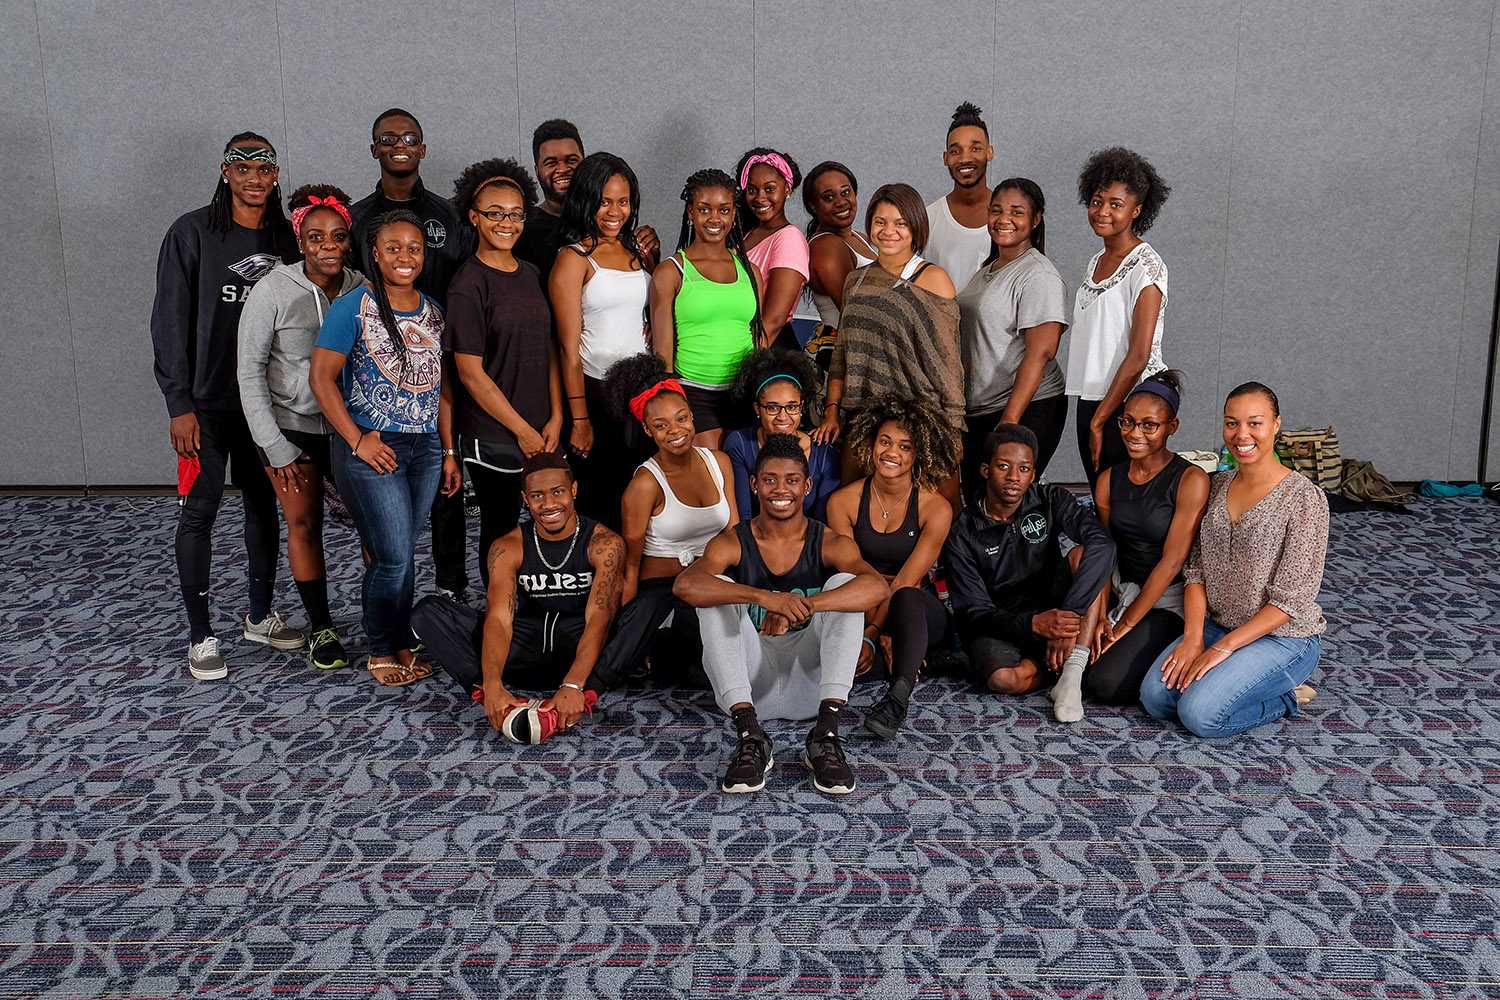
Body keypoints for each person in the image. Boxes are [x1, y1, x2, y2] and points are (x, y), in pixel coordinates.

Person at [151, 131, 302, 681]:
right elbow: (168, 321)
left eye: (264, 168)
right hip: (207, 404)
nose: (254, 177)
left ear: (276, 175)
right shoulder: (192, 233)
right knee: (201, 510)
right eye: (243, 167)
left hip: (267, 403)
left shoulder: (288, 238)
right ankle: (200, 635)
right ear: (225, 171)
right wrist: (178, 403)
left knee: (265, 509)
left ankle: (260, 616)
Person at [675, 434, 889, 795]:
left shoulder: (829, 541)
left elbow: (877, 588)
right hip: (748, 685)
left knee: (845, 584)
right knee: (715, 592)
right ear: (754, 484)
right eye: (770, 479)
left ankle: (826, 734)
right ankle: (750, 738)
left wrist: (806, 605)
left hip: (810, 684)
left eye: (791, 480)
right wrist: (765, 598)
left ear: (806, 486)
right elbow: (686, 585)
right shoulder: (733, 541)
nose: (781, 489)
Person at [309, 209, 462, 686]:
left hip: (425, 449)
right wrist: (357, 438)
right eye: (392, 248)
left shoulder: (433, 311)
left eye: (413, 248)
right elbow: (321, 379)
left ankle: (400, 637)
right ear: (374, 254)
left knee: (398, 551)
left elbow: (442, 388)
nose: (404, 257)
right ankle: (381, 647)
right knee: (394, 554)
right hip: (374, 446)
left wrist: (449, 450)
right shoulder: (353, 307)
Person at [1141, 383, 1327, 738]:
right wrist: (1194, 638)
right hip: (1219, 624)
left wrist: (1223, 649)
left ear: (1276, 425)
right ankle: (1235, 679)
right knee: (1155, 699)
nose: (1241, 435)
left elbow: (1291, 602)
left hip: (1283, 638)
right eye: (1231, 423)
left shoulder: (1305, 499)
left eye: (1255, 423)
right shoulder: (1215, 485)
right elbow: (1194, 570)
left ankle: (1285, 697)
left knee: (1199, 715)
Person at [237, 184, 365, 672]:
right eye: (315, 237)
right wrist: (273, 445)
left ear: (348, 240)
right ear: (301, 241)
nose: (327, 245)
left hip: (351, 427)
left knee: (372, 528)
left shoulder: (362, 289)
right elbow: (248, 372)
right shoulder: (272, 289)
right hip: (293, 429)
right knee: (304, 524)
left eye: (336, 236)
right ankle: (322, 626)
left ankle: (380, 621)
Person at [411, 453, 625, 744]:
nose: (549, 504)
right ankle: (494, 698)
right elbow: (499, 618)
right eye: (537, 496)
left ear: (573, 490)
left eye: (558, 492)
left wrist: (574, 682)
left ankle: (585, 695)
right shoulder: (508, 547)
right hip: (521, 652)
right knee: (427, 612)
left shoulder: (605, 544)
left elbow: (599, 618)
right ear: (525, 498)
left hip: (578, 649)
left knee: (646, 606)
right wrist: (493, 682)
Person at [347, 107, 470, 603]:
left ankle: (450, 589)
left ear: (423, 148)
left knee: (445, 484)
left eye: (410, 137)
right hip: (375, 377)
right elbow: (350, 294)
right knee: (382, 505)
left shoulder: (448, 215)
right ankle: (386, 597)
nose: (400, 143)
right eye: (388, 137)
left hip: (438, 367)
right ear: (374, 149)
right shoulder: (355, 219)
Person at [943, 424, 1114, 724]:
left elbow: (1102, 544)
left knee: (1086, 555)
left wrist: (1067, 618)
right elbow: (973, 611)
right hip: (1002, 622)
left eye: (1023, 469)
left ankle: (1072, 672)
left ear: (1033, 474)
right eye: (1003, 467)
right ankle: (1056, 672)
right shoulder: (963, 531)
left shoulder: (1049, 498)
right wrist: (1033, 625)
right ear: (985, 470)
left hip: (1057, 607)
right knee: (1004, 680)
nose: (1013, 478)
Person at [446, 162, 563, 585]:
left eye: (515, 213)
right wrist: (522, 431)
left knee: (548, 523)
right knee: (499, 529)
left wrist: (556, 417)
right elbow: (470, 373)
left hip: (541, 426)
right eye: (494, 213)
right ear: (474, 216)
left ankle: (534, 608)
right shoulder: (468, 284)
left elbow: (550, 348)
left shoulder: (531, 273)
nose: (506, 222)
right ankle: (499, 609)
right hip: (494, 433)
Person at [590, 354, 736, 688]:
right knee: (628, 666)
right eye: (661, 425)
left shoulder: (720, 462)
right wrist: (624, 617)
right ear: (647, 429)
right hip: (661, 589)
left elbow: (734, 532)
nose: (675, 431)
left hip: (710, 580)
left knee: (705, 672)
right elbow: (631, 558)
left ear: (691, 414)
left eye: (681, 418)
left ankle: (673, 649)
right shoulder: (644, 483)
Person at [824, 397, 958, 738]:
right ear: (871, 444)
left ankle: (898, 697)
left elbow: (903, 582)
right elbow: (850, 574)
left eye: (904, 446)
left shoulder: (935, 508)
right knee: (852, 659)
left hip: (916, 610)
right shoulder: (843, 502)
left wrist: (873, 634)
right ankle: (913, 658)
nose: (891, 453)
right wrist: (874, 629)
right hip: (860, 603)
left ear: (919, 454)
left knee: (908, 596)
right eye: (885, 442)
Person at [826, 183, 962, 507]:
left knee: (941, 512)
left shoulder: (933, 279)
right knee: (854, 507)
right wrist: (832, 410)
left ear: (915, 228)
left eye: (900, 223)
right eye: (880, 221)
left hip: (921, 418)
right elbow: (842, 355)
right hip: (863, 419)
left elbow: (948, 363)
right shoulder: (855, 280)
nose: (889, 231)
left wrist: (953, 429)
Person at [1086, 371, 1208, 705]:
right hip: (1123, 587)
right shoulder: (1108, 479)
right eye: (1127, 422)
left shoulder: (1190, 479)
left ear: (1172, 427)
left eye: (1148, 425)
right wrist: (1098, 616)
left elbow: (1171, 563)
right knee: (1071, 661)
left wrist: (1122, 627)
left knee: (1105, 684)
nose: (1134, 434)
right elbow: (1104, 550)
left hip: (1167, 598)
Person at [550, 152, 656, 530]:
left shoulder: (637, 253)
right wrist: (579, 419)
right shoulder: (573, 258)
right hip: (596, 393)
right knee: (602, 499)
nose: (615, 211)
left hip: (642, 390)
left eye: (623, 201)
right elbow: (567, 348)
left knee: (642, 495)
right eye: (604, 201)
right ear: (586, 200)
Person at [957, 178, 1069, 492]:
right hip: (982, 408)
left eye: (1016, 212)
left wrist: (1009, 422)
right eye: (996, 210)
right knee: (980, 501)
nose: (1004, 218)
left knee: (1005, 499)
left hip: (1025, 406)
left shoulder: (1038, 274)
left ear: (1035, 219)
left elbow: (1041, 353)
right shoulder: (990, 267)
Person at [1068, 146, 1171, 484]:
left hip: (1133, 399)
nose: (1102, 212)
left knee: (1124, 498)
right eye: (1097, 201)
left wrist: (1101, 420)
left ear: (1136, 210)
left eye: (1116, 204)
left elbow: (1139, 354)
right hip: (1093, 392)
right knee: (1101, 494)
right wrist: (1093, 414)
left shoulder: (1146, 265)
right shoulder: (1094, 261)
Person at [650, 168, 761, 447]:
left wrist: (763, 388)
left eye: (724, 210)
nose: (714, 219)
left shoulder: (750, 271)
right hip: (695, 391)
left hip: (744, 391)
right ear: (690, 212)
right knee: (713, 473)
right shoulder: (671, 271)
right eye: (704, 209)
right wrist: (668, 402)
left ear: (734, 213)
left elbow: (757, 335)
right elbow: (662, 349)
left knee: (745, 473)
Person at [723, 349, 838, 520]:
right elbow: (744, 514)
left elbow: (822, 522)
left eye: (792, 407)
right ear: (757, 409)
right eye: (772, 407)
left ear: (802, 406)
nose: (783, 417)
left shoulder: (823, 452)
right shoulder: (739, 443)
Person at [801, 161, 877, 385]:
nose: (841, 201)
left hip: (860, 353)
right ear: (813, 206)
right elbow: (855, 314)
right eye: (828, 197)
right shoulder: (826, 248)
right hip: (841, 362)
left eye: (846, 192)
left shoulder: (858, 237)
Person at [735, 147, 809, 352]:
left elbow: (774, 320)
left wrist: (744, 364)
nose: (760, 197)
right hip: (743, 342)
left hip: (768, 349)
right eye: (752, 190)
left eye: (769, 189)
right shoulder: (748, 234)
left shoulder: (789, 238)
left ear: (786, 188)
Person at [924, 102, 994, 290]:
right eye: (956, 151)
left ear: (990, 152)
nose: (965, 158)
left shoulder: (1009, 219)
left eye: (975, 148)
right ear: (945, 158)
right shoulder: (927, 220)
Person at [515, 119, 582, 281]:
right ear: (537, 171)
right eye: (551, 163)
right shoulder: (522, 229)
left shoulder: (605, 221)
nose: (562, 169)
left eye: (571, 160)